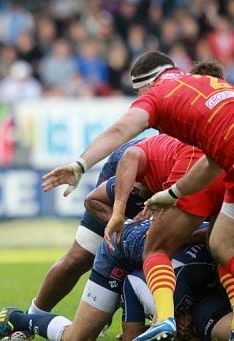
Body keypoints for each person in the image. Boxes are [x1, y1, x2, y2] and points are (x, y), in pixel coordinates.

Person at [41, 56, 233, 340]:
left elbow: (121, 130)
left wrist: (80, 164)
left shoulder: (156, 96)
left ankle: (163, 318)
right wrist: (172, 194)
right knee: (220, 244)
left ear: (143, 88)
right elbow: (212, 162)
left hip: (197, 168)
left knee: (156, 248)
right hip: (222, 167)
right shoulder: (209, 83)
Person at [0, 219, 219, 341]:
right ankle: (16, 318)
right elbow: (94, 198)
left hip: (153, 257)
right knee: (77, 338)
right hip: (121, 254)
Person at [27, 139, 146, 319]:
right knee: (79, 257)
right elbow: (120, 130)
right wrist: (80, 165)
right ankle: (31, 317)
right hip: (133, 171)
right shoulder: (135, 158)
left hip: (172, 185)